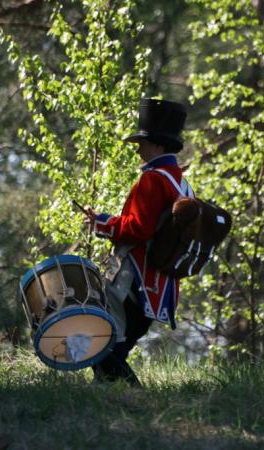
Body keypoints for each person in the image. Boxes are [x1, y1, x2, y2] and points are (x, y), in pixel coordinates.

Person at [87, 98, 193, 386]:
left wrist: (102, 223)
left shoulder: (152, 181)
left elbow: (138, 229)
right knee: (112, 351)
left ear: (158, 145)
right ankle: (112, 404)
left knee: (100, 346)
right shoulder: (182, 183)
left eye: (143, 142)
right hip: (160, 286)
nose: (138, 148)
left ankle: (137, 397)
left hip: (134, 278)